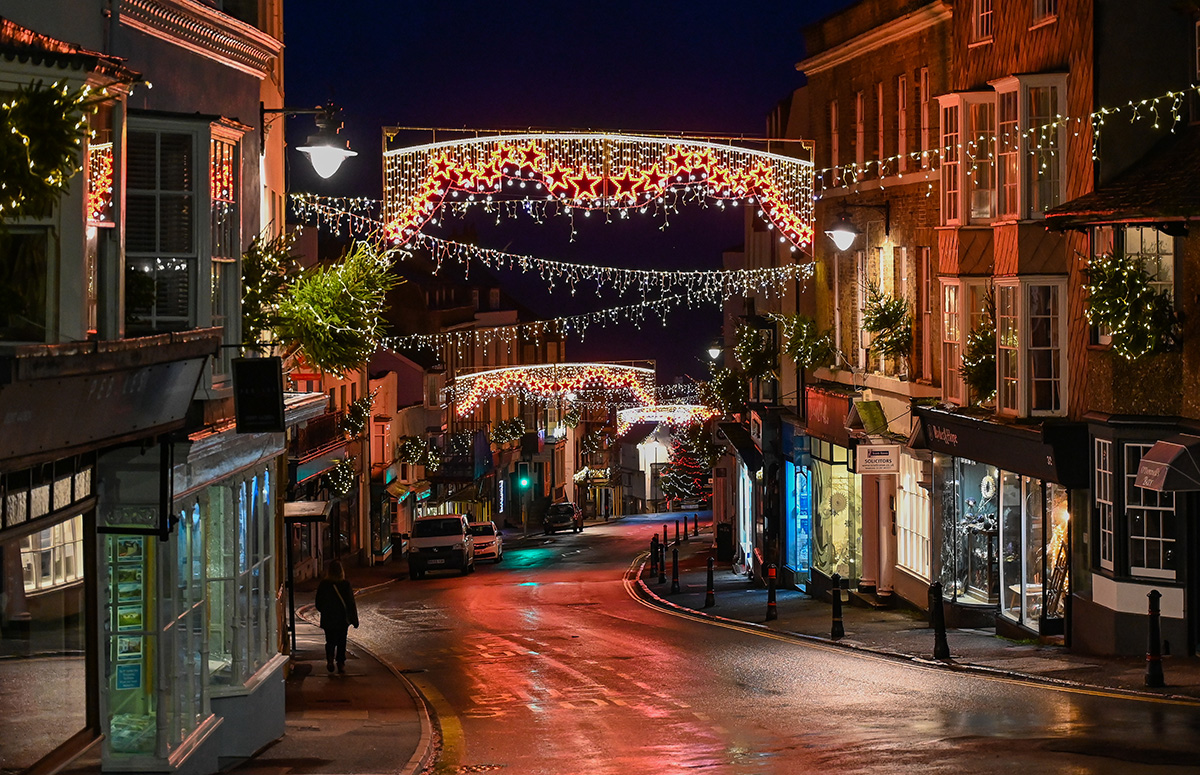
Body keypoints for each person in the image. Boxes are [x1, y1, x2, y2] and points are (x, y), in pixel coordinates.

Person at [315, 560, 358, 673]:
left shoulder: (324, 584)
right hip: (342, 619)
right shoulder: (345, 584)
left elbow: (318, 602)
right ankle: (340, 662)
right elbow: (350, 603)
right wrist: (354, 620)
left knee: (330, 640)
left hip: (328, 618)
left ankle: (330, 659)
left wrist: (325, 611)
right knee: (341, 641)